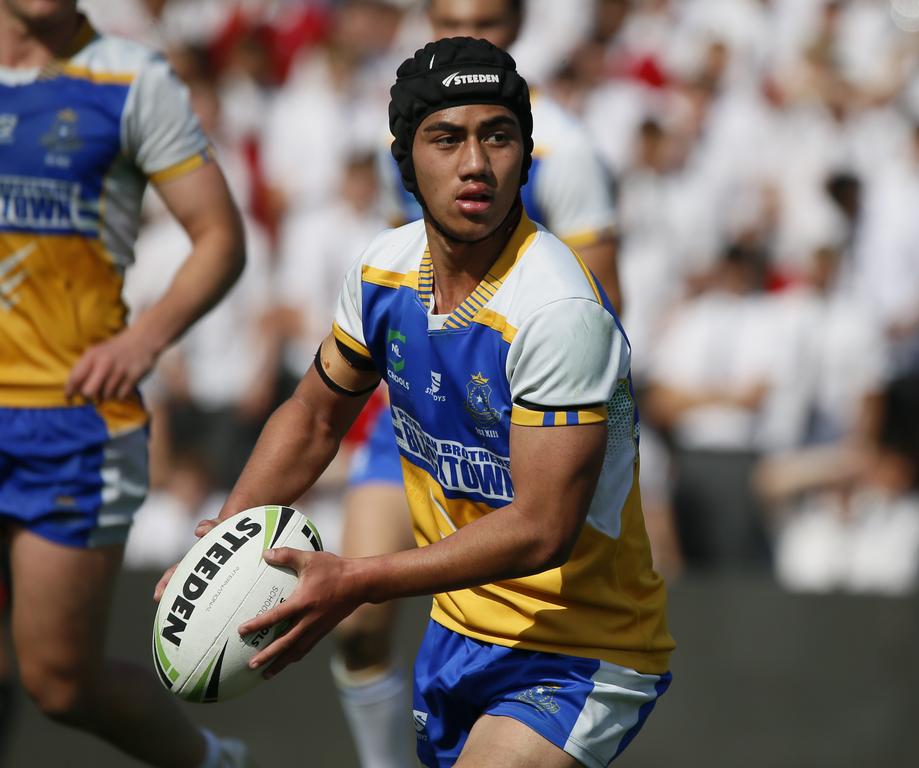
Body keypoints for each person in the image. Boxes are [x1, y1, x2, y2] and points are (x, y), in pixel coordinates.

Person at [160, 36, 673, 768]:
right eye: (446, 138)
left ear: (526, 155)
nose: (475, 163)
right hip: (457, 631)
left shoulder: (557, 309)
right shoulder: (382, 269)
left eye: (499, 136)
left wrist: (358, 579)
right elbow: (312, 417)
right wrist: (223, 533)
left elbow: (541, 530)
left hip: (580, 648)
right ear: (405, 156)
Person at [336, 5, 623, 764]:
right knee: (360, 621)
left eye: (491, 17)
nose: (478, 30)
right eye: (458, 17)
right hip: (417, 399)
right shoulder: (406, 114)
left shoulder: (565, 145)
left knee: (381, 583)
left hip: (517, 400)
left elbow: (601, 296)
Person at [0, 2, 250, 766]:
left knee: (58, 680)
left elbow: (219, 238)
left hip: (68, 426)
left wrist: (145, 337)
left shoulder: (132, 79)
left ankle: (212, 763)